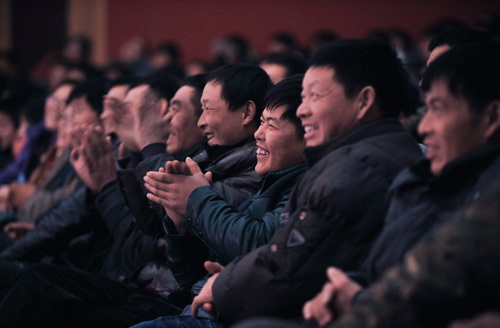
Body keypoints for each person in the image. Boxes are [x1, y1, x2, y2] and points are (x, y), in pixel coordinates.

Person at [161, 39, 423, 328]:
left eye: (314, 96)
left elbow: (285, 263)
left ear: (363, 101)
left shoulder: (357, 169)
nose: (302, 110)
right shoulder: (352, 161)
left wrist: (225, 281)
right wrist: (184, 227)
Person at [301, 41, 500, 327]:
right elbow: (384, 268)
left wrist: (357, 301)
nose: (424, 127)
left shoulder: (486, 198)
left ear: (491, 117)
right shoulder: (420, 180)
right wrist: (343, 289)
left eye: (438, 108)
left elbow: (425, 286)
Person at [131, 75, 308, 328]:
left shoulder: (296, 184)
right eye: (261, 123)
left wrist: (198, 198)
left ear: (310, 132)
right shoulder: (270, 181)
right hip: (193, 307)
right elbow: (191, 278)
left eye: (271, 125)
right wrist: (180, 226)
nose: (258, 134)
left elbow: (254, 242)